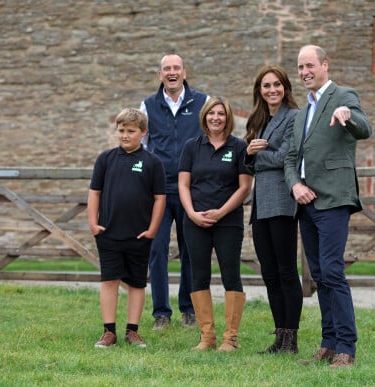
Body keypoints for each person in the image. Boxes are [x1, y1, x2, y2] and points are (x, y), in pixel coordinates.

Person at [284, 45, 372, 368]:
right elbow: (291, 158)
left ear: (325, 64)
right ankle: (328, 342)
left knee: (333, 271)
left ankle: (346, 347)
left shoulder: (343, 95)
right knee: (319, 274)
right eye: (300, 67)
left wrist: (347, 117)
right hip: (305, 203)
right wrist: (295, 185)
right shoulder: (302, 113)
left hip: (334, 199)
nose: (304, 71)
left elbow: (365, 127)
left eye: (309, 65)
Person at [178, 96, 253, 352]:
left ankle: (230, 339)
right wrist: (191, 213)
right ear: (204, 117)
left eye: (221, 114)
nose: (216, 118)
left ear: (228, 118)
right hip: (195, 221)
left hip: (228, 222)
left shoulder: (239, 147)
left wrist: (220, 212)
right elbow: (183, 184)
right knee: (198, 275)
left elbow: (244, 187)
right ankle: (207, 337)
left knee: (231, 274)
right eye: (211, 114)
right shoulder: (191, 146)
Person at [139, 53, 208, 330]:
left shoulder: (203, 102)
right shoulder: (147, 106)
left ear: (184, 72)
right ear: (160, 75)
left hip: (191, 190)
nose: (171, 72)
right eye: (166, 69)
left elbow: (213, 136)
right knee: (157, 251)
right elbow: (141, 144)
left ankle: (188, 309)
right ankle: (161, 313)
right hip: (159, 191)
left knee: (191, 250)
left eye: (176, 68)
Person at [88, 108, 166, 348]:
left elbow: (160, 198)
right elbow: (95, 192)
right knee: (109, 281)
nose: (125, 135)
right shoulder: (105, 159)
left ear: (143, 132)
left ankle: (132, 331)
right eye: (121, 130)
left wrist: (152, 229)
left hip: (139, 235)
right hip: (108, 233)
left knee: (136, 283)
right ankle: (108, 332)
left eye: (131, 131)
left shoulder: (153, 163)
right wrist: (93, 222)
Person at [244, 65, 303, 354]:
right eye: (266, 86)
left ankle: (291, 338)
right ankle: (279, 336)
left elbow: (285, 157)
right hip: (260, 206)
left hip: (281, 202)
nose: (272, 90)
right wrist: (249, 154)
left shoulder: (294, 117)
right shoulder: (259, 120)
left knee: (286, 272)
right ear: (260, 91)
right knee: (269, 274)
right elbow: (246, 160)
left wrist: (255, 154)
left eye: (277, 84)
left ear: (285, 87)